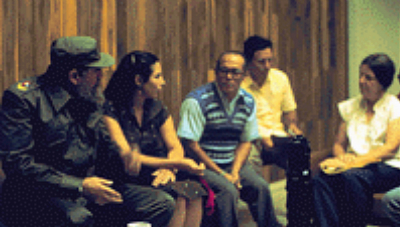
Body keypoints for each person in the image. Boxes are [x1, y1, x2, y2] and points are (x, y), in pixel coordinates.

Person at [0, 36, 175, 227]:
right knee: (79, 218)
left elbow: (108, 148)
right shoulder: (24, 99)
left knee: (160, 203)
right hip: (41, 194)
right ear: (75, 76)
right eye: (96, 71)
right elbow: (18, 165)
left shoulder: (90, 95)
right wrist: (79, 186)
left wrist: (151, 167)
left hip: (89, 187)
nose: (101, 76)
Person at [102, 51, 207, 227]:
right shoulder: (110, 110)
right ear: (138, 81)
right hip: (124, 179)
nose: (163, 82)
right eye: (157, 76)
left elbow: (175, 146)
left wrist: (171, 168)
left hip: (155, 175)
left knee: (194, 191)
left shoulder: (157, 108)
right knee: (178, 197)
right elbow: (128, 156)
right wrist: (174, 164)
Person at [177, 51, 280, 227]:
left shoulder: (247, 101)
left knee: (260, 187)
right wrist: (222, 174)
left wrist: (234, 171)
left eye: (235, 72)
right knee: (228, 191)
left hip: (231, 163)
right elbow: (191, 145)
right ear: (216, 73)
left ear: (244, 75)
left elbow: (246, 141)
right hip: (200, 166)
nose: (228, 77)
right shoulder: (197, 101)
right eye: (223, 71)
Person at [313, 53, 400, 227]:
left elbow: (390, 147)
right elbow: (339, 143)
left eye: (368, 78)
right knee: (320, 179)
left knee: (352, 177)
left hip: (387, 165)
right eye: (360, 75)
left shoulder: (394, 106)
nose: (361, 81)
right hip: (353, 164)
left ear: (382, 82)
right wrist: (341, 157)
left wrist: (355, 162)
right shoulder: (351, 106)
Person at [241, 35, 302, 171]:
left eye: (270, 60)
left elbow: (289, 113)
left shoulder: (280, 78)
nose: (267, 66)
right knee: (249, 157)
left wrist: (293, 129)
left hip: (278, 136)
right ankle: (258, 191)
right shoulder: (240, 86)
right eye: (262, 62)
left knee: (302, 152)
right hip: (252, 140)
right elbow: (240, 123)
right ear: (249, 62)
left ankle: (299, 192)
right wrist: (261, 138)